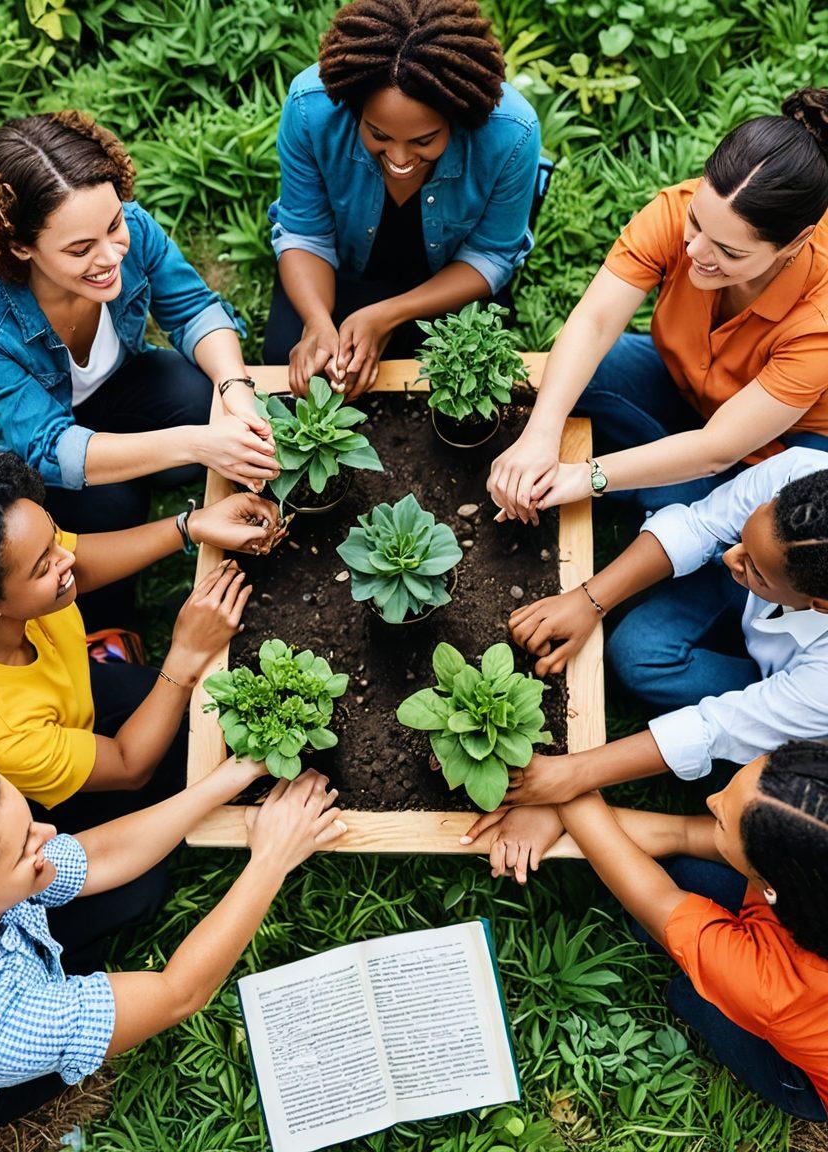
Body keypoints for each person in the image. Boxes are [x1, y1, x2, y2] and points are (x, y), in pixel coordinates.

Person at [0, 442, 283, 947]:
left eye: (54, 539)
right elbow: (126, 762)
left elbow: (83, 564)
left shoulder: (18, 565)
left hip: (63, 710)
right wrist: (183, 656)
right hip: (3, 821)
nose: (65, 560)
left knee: (166, 712)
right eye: (43, 566)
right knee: (138, 886)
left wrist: (193, 525)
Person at [0, 110, 279, 599]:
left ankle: (149, 470)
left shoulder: (126, 228)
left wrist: (236, 391)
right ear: (19, 247)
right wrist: (199, 443)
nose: (112, 255)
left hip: (113, 392)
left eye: (114, 224)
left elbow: (194, 309)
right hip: (26, 456)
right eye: (80, 251)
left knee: (201, 395)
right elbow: (48, 447)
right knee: (109, 508)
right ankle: (110, 615)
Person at [0, 749, 345, 1146]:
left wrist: (229, 777)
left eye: (29, 821)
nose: (50, 833)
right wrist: (272, 859)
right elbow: (178, 994)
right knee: (43, 1074)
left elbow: (95, 856)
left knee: (138, 892)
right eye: (24, 848)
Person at [488, 88, 828, 523]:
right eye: (696, 223)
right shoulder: (678, 209)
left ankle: (680, 502)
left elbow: (717, 448)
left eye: (728, 252)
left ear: (794, 244)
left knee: (745, 537)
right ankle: (658, 481)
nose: (696, 251)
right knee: (585, 369)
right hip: (686, 382)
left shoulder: (818, 319)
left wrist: (587, 477)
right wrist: (539, 433)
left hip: (779, 444)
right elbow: (593, 322)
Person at [461, 741, 828, 1123]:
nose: (711, 800)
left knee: (700, 996)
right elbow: (682, 833)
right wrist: (559, 806)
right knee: (689, 871)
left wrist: (561, 793)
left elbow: (655, 897)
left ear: (773, 885)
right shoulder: (808, 851)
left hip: (798, 1072)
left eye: (723, 819)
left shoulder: (773, 988)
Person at [505, 450, 828, 801]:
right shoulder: (805, 478)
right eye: (743, 539)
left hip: (793, 693)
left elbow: (716, 728)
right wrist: (588, 600)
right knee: (637, 645)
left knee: (640, 661)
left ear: (820, 605)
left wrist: (572, 772)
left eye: (755, 568)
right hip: (759, 603)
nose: (729, 556)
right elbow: (702, 524)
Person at [263, 0, 541, 397]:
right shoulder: (312, 107)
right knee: (293, 371)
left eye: (424, 141)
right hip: (340, 270)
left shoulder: (511, 132)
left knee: (459, 387)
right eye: (378, 135)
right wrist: (317, 322)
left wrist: (389, 315)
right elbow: (305, 233)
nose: (399, 159)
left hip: (450, 282)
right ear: (355, 109)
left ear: (456, 117)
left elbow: (491, 255)